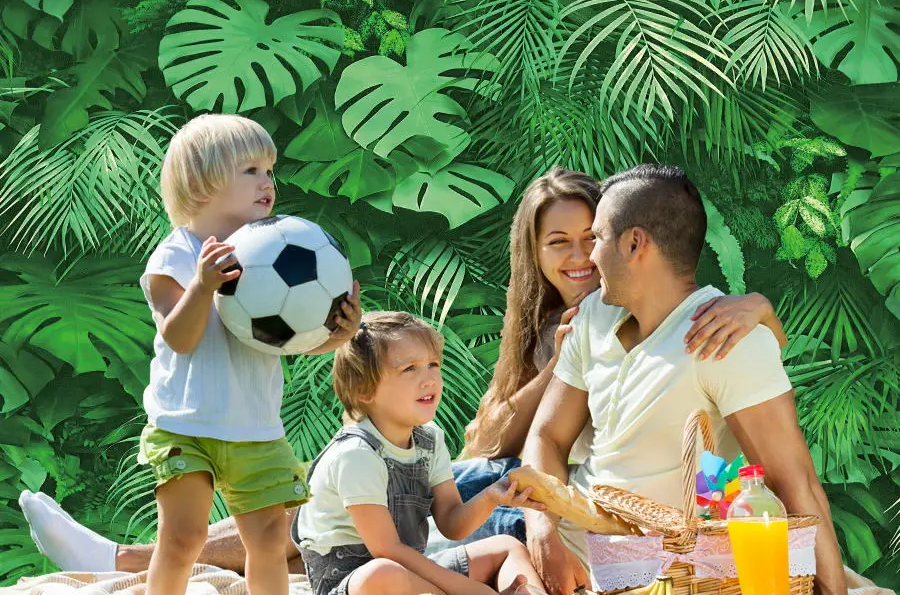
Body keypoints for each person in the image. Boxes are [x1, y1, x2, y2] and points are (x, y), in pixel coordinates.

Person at [17, 167, 785, 575]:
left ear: (628, 240)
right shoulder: (556, 329)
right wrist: (544, 371)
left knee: (336, 512)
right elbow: (487, 433)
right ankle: (128, 556)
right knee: (341, 497)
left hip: (566, 506)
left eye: (594, 236)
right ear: (537, 255)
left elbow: (733, 346)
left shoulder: (648, 312)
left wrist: (757, 305)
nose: (580, 255)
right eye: (559, 242)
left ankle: (122, 558)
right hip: (498, 481)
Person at [520, 164, 847, 595]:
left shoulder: (727, 339)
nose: (590, 256)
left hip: (655, 575)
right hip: (552, 540)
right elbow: (546, 435)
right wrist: (543, 534)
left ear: (635, 243)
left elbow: (794, 481)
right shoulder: (594, 316)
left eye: (597, 238)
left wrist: (836, 591)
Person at [126, 113, 361, 595]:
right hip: (185, 425)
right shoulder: (175, 256)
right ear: (201, 180)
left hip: (254, 427)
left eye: (270, 171)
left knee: (271, 537)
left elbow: (283, 340)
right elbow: (181, 338)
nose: (267, 182)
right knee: (184, 536)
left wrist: (337, 335)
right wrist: (203, 283)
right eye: (250, 170)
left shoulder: (272, 249)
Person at [294, 311, 547, 595]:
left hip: (411, 572)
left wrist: (491, 496)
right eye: (410, 368)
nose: (429, 379)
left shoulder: (429, 440)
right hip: (357, 583)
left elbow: (451, 523)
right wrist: (472, 591)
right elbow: (387, 551)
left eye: (433, 364)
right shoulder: (356, 455)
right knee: (383, 574)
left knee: (507, 547)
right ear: (365, 390)